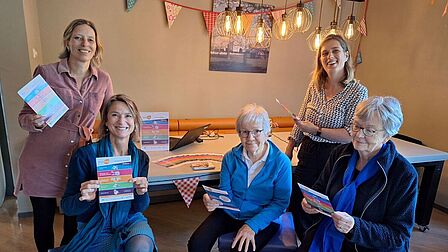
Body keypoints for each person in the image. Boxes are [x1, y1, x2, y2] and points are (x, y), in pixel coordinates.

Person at [15, 18, 113, 251]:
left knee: (74, 219)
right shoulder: (46, 73)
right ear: (68, 42)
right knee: (44, 220)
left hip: (80, 160)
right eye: (78, 37)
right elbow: (23, 115)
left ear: (96, 45)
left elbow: (110, 116)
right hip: (42, 159)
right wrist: (34, 121)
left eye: (90, 39)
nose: (84, 43)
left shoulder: (104, 79)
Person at [299, 96, 418, 251]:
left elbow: (398, 236)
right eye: (356, 126)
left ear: (387, 136)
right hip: (323, 236)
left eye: (369, 130)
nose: (359, 135)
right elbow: (320, 188)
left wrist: (356, 227)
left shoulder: (403, 174)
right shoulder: (340, 154)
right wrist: (311, 203)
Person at [285, 34, 368, 240]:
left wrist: (316, 130)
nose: (329, 56)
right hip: (308, 152)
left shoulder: (358, 91)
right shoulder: (315, 84)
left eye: (335, 51)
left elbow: (351, 134)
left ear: (346, 55)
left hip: (336, 156)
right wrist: (288, 150)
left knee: (323, 205)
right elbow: (301, 117)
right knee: (299, 199)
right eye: (324, 53)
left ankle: (316, 242)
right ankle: (303, 242)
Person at [188, 104, 292, 252]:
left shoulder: (281, 162)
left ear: (267, 131)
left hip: (263, 217)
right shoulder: (229, 158)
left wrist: (251, 226)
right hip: (230, 212)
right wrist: (213, 200)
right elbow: (225, 193)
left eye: (257, 131)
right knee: (196, 244)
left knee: (240, 249)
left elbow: (280, 203)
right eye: (245, 132)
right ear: (239, 133)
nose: (250, 138)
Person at [60, 94, 157, 251]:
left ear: (135, 122)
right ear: (105, 121)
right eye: (115, 115)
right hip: (95, 222)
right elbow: (67, 207)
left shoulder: (141, 157)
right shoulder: (85, 155)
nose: (121, 121)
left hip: (130, 219)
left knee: (141, 246)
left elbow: (139, 207)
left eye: (128, 116)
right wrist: (85, 198)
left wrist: (141, 192)